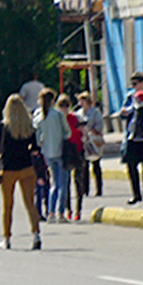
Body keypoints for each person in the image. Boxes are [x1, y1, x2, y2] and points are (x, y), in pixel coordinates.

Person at [0, 94, 44, 250]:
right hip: (27, 168)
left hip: (8, 169)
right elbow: (34, 149)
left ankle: (7, 239)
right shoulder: (29, 127)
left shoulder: (2, 127)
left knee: (8, 205)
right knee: (30, 203)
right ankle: (36, 235)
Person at [34, 88, 70, 222]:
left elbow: (37, 138)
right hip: (60, 151)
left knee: (53, 184)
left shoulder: (39, 117)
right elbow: (68, 132)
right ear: (53, 100)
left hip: (47, 153)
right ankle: (60, 213)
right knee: (63, 184)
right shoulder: (58, 115)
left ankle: (50, 212)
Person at [60, 93, 88, 221]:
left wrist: (85, 136)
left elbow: (84, 132)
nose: (64, 108)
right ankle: (68, 209)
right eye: (61, 106)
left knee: (79, 181)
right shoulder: (58, 119)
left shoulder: (75, 117)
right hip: (65, 152)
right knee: (65, 182)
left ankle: (78, 209)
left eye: (66, 106)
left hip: (77, 150)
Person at [78, 92, 105, 198]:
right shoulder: (79, 113)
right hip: (84, 141)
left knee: (96, 165)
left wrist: (93, 130)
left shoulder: (95, 112)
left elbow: (100, 125)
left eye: (82, 100)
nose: (80, 103)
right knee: (84, 166)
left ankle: (99, 189)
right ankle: (85, 189)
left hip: (94, 141)